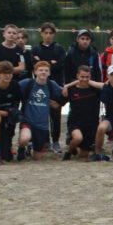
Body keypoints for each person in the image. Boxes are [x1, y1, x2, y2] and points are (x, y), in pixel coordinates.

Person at [16, 60, 63, 162]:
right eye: (41, 70)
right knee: (25, 138)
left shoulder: (52, 85)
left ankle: (30, 148)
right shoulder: (27, 83)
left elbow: (64, 93)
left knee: (37, 158)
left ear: (49, 73)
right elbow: (11, 87)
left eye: (46, 70)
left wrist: (59, 104)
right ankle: (21, 148)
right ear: (35, 71)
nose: (43, 72)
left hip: (42, 125)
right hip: (28, 121)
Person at [33, 22, 67, 153]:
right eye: (45, 33)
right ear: (41, 33)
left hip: (55, 84)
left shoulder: (59, 49)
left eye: (50, 33)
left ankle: (56, 141)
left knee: (56, 113)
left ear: (54, 34)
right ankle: (45, 141)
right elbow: (35, 65)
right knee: (42, 113)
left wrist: (44, 63)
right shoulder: (36, 49)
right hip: (41, 85)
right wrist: (51, 63)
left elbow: (60, 65)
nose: (48, 35)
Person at [61, 65, 102, 161]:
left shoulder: (95, 89)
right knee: (78, 138)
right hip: (75, 122)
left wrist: (68, 84)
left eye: (87, 77)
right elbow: (59, 104)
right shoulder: (71, 90)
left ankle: (75, 148)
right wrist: (67, 86)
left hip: (90, 125)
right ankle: (68, 153)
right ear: (77, 76)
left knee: (83, 155)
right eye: (82, 77)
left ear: (90, 77)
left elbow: (105, 86)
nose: (84, 79)